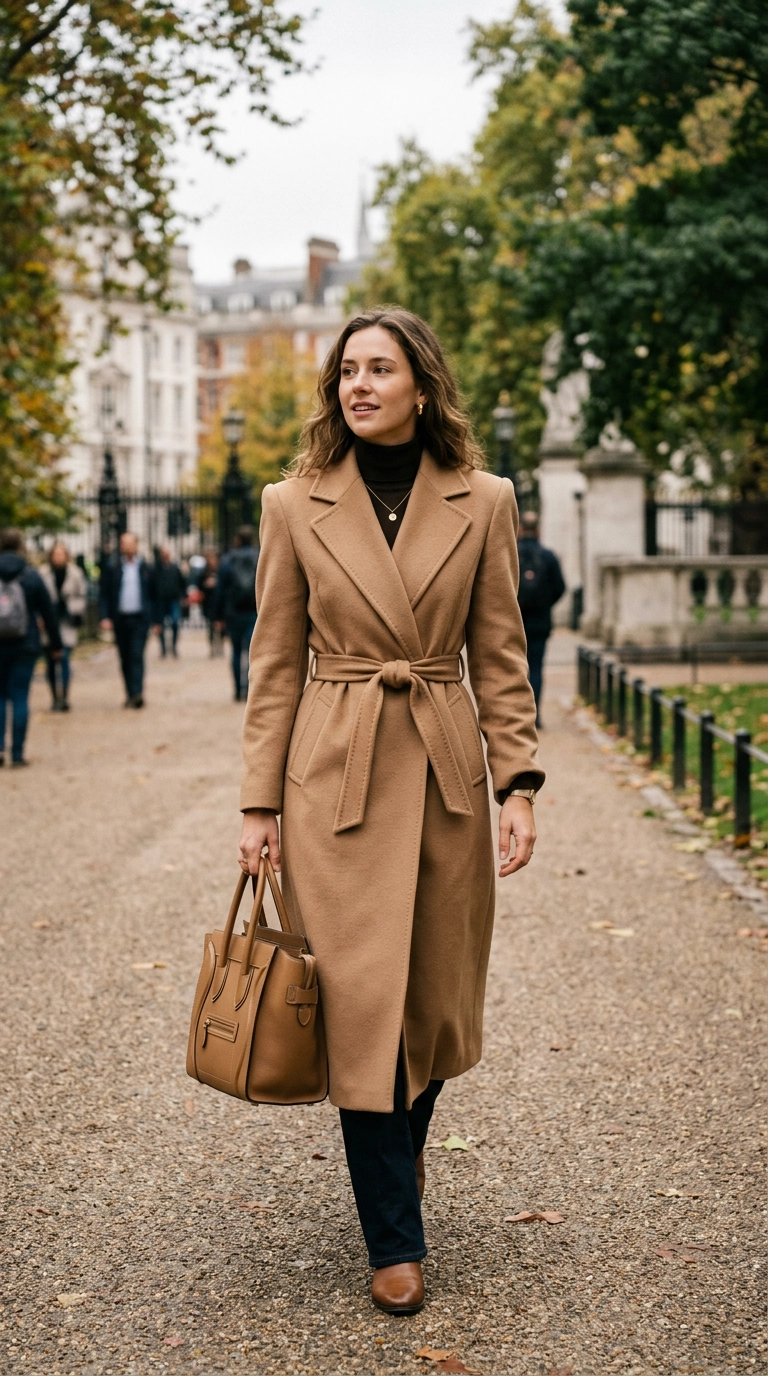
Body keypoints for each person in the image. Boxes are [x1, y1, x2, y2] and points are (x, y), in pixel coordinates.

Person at [236, 308, 543, 1316]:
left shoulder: (484, 498)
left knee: (433, 1000)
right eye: (347, 371)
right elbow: (274, 663)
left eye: (381, 368)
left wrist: (519, 783)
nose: (359, 384)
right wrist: (258, 802)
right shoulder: (293, 502)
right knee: (364, 1002)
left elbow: (500, 650)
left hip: (447, 766)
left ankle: (394, 1172)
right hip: (338, 771)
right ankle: (393, 1237)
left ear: (422, 383)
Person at [0, 528, 62, 766]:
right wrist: (55, 644)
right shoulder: (30, 575)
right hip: (25, 644)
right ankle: (17, 753)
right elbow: (48, 612)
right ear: (21, 546)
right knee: (19, 697)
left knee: (0, 696)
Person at [516, 510, 566, 726]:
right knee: (536, 668)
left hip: (514, 622)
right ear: (538, 529)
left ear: (519, 529)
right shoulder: (548, 556)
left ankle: (518, 718)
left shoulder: (511, 553)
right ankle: (535, 717)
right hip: (539, 623)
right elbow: (560, 587)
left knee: (515, 670)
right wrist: (545, 605)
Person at [99, 532, 158, 708]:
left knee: (136, 655)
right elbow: (105, 594)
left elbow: (155, 595)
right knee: (125, 657)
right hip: (121, 619)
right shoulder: (114, 567)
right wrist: (105, 616)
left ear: (136, 545)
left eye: (130, 543)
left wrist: (156, 620)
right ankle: (130, 693)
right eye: (124, 543)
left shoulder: (146, 568)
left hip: (140, 619)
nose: (127, 547)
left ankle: (138, 693)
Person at [39, 542, 88, 711]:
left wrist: (73, 609)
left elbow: (82, 595)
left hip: (67, 622)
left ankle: (65, 697)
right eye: (55, 554)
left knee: (65, 659)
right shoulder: (43, 573)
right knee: (51, 662)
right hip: (48, 623)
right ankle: (54, 697)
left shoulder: (75, 573)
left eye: (61, 553)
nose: (58, 557)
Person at [214, 526, 258, 700]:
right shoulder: (258, 557)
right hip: (253, 611)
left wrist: (217, 615)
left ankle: (238, 689)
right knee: (251, 652)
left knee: (236, 651)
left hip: (233, 612)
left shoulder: (228, 559)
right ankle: (248, 688)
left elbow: (220, 589)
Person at [154, 546, 187, 658]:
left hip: (173, 599)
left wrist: (183, 596)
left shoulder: (175, 568)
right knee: (160, 625)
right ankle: (163, 648)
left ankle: (173, 646)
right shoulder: (156, 569)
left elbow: (182, 583)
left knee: (175, 623)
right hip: (160, 601)